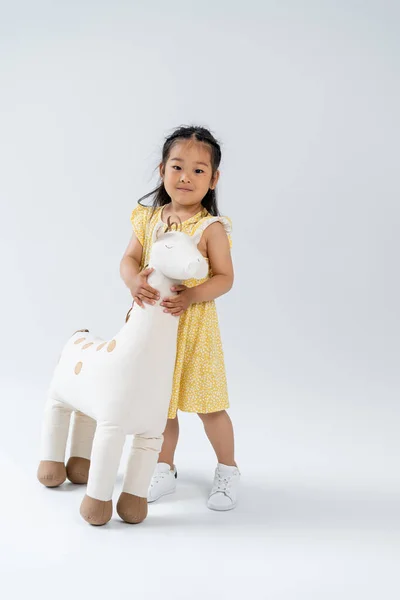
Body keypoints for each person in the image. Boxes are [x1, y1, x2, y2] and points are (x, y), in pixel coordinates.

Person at [120, 125, 240, 511]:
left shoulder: (210, 228)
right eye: (177, 166)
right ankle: (163, 467)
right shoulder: (148, 218)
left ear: (214, 178)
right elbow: (128, 260)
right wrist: (132, 281)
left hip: (194, 330)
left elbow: (225, 278)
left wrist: (190, 295)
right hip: (154, 327)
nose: (186, 177)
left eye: (199, 170)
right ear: (162, 169)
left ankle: (227, 469)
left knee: (209, 405)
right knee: (159, 403)